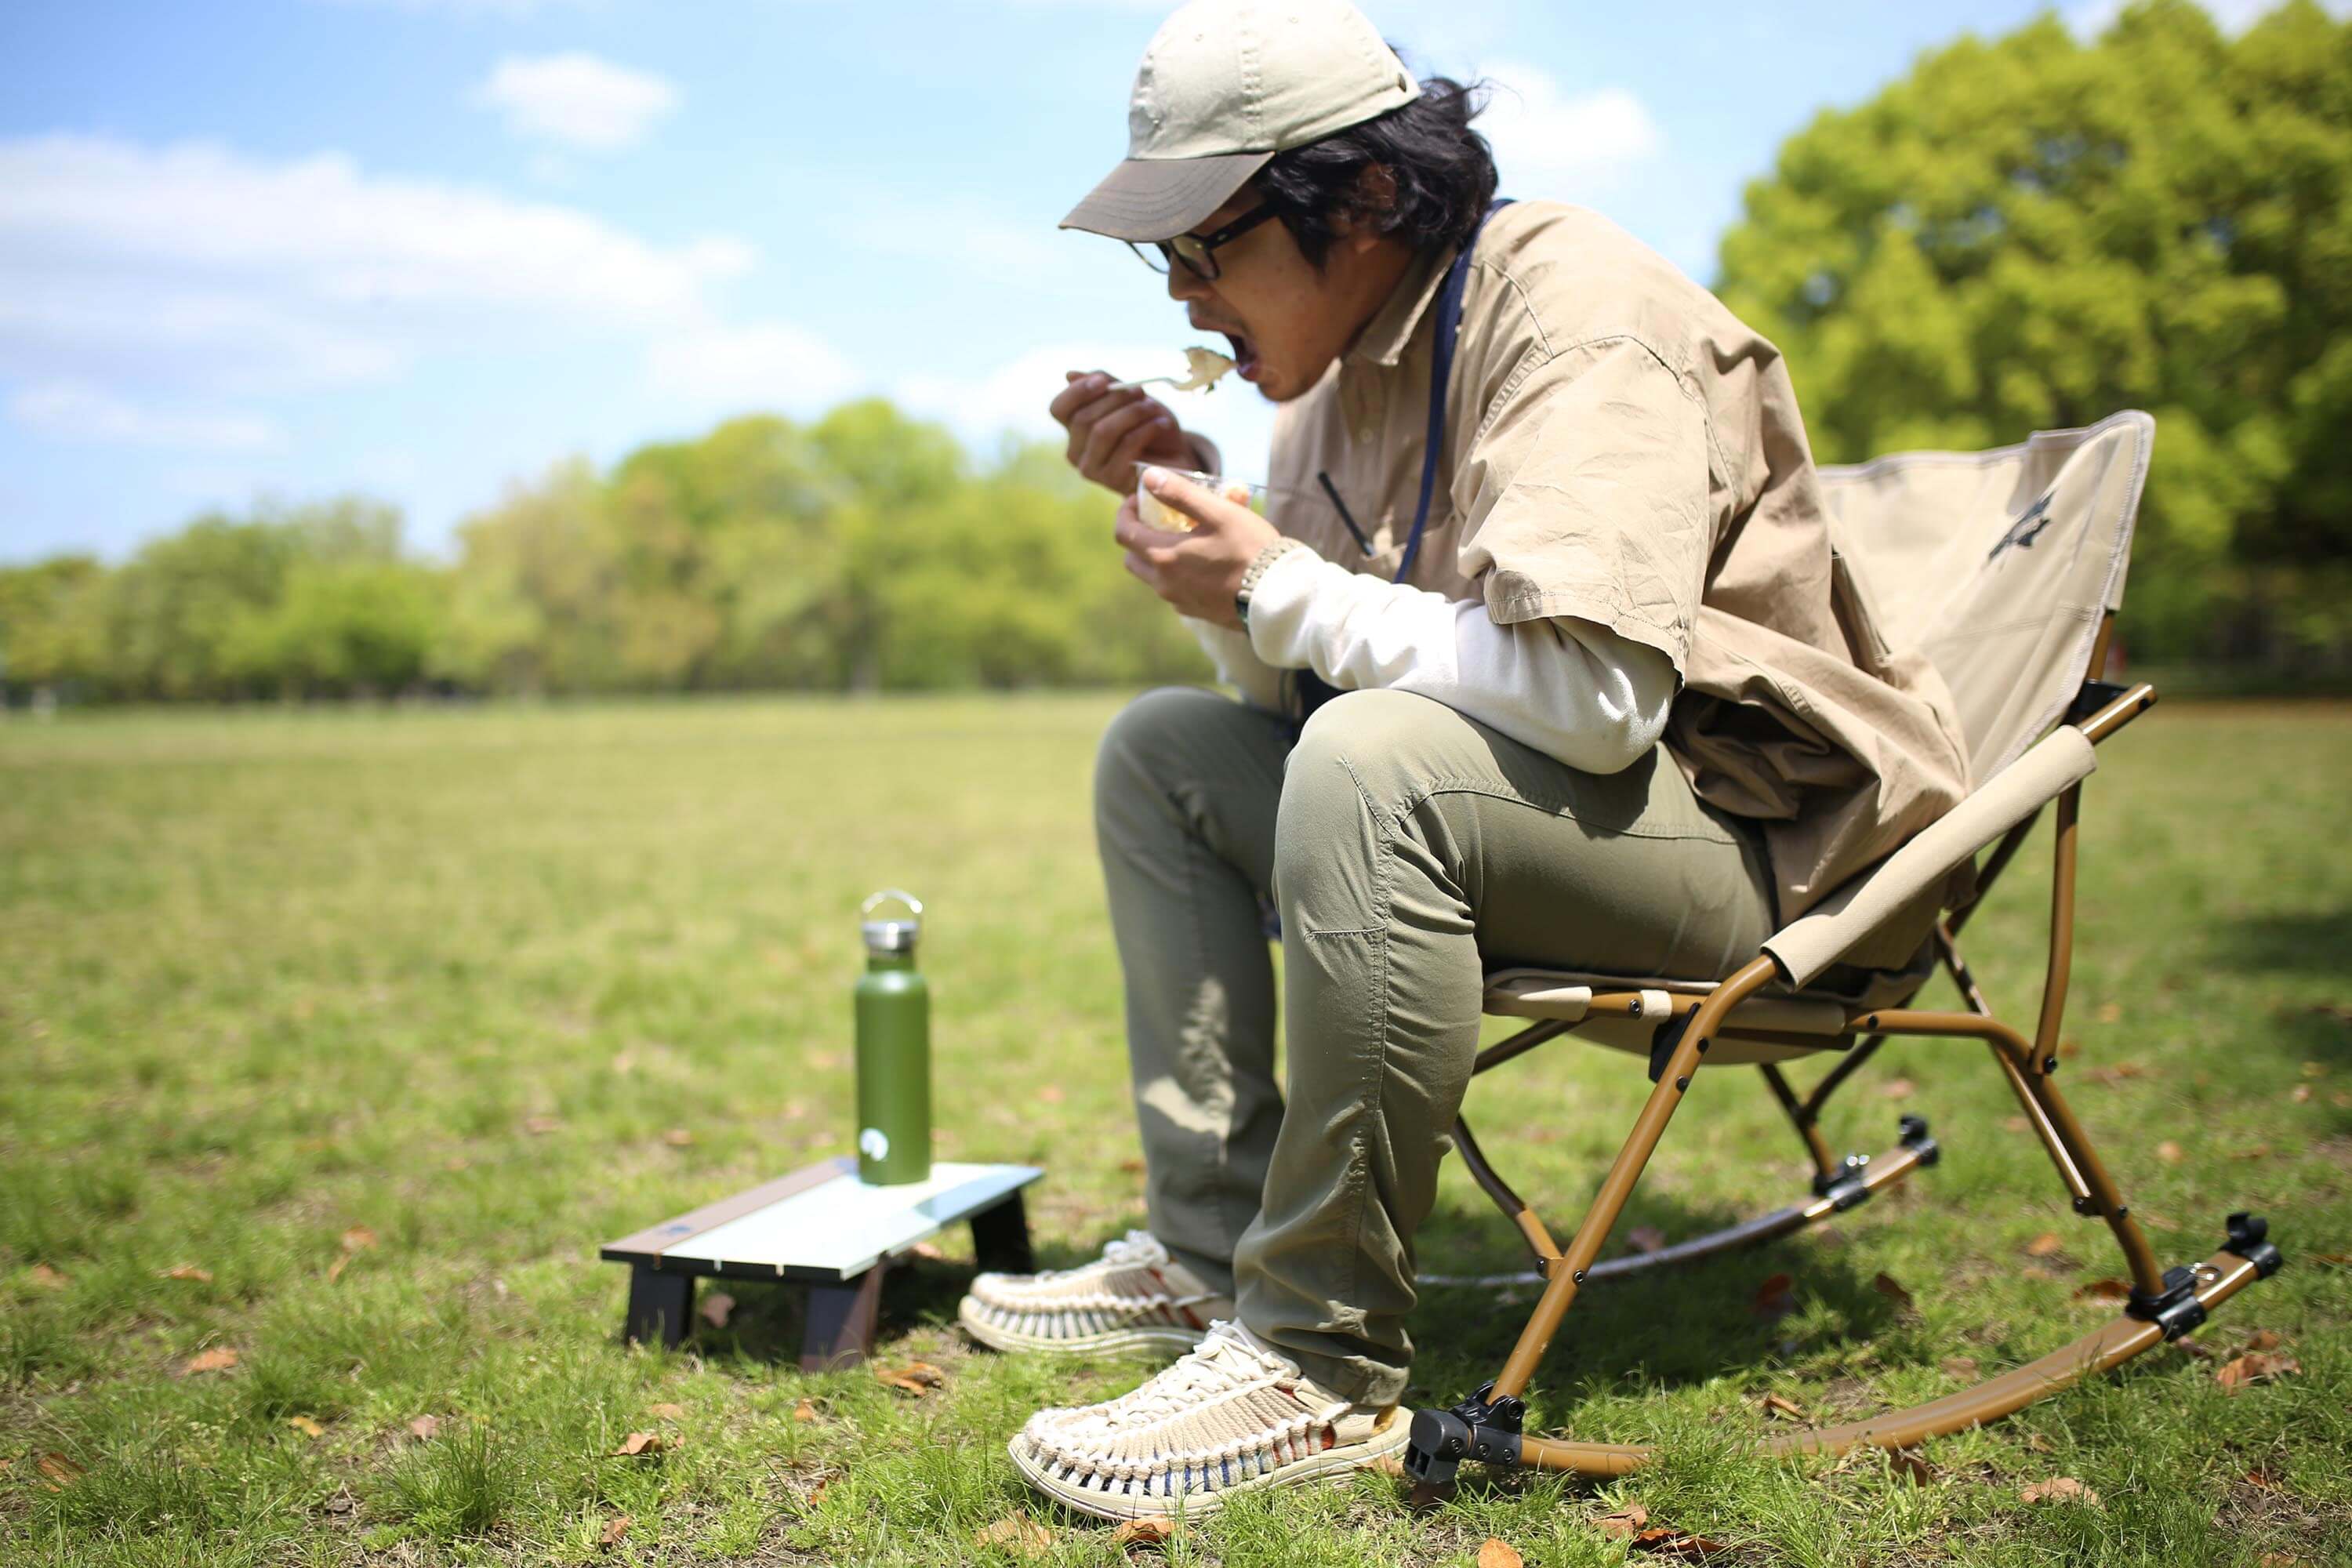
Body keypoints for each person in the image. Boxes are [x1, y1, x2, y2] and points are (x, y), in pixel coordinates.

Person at [957, 0, 1971, 1520]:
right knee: (1167, 749)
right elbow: (1299, 683)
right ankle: (1210, 1253)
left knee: (1373, 760)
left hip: (1758, 863)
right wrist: (1216, 556)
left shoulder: (1573, 310)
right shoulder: (1334, 371)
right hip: (1533, 817)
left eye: (1207, 244)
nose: (1181, 291)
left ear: (1361, 200)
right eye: (1156, 257)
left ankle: (1314, 1361)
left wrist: (1274, 584)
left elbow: (1598, 698)